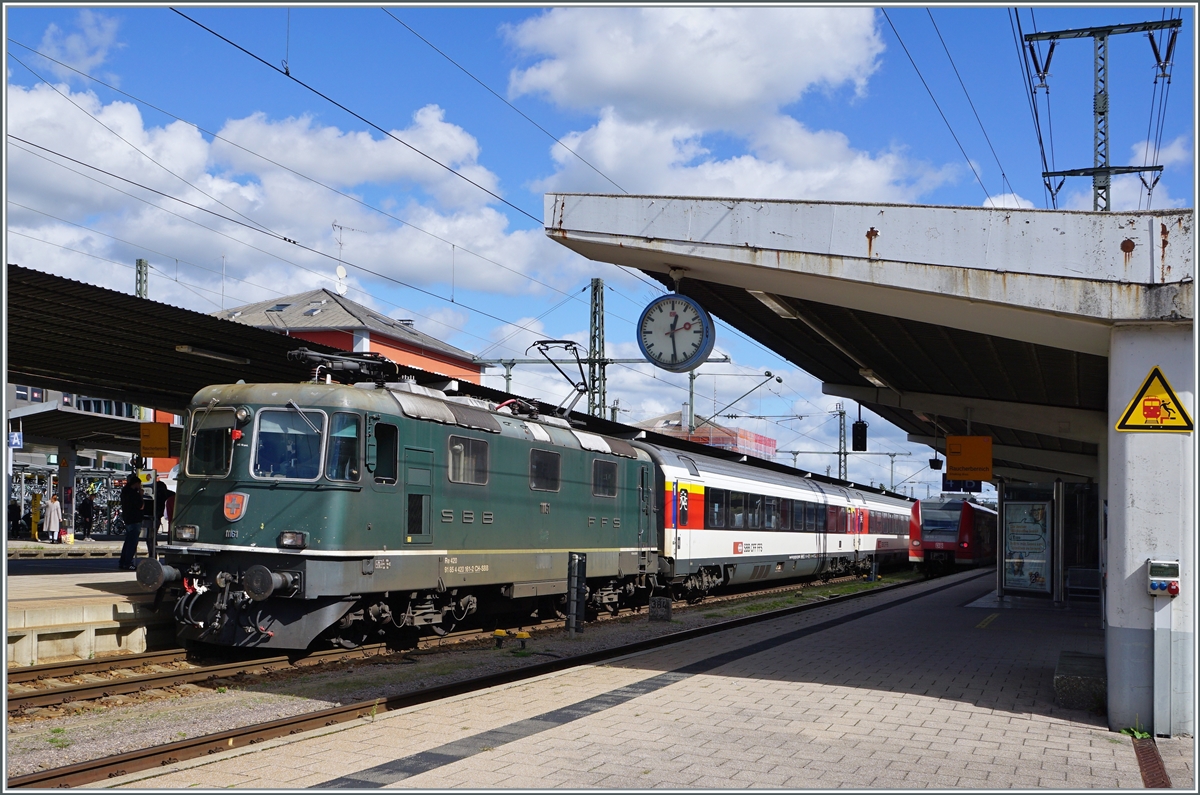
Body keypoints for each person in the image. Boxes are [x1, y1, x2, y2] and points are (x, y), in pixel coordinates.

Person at [118, 474, 145, 571]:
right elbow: (141, 506)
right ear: (136, 483)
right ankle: (128, 563)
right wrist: (141, 495)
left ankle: (122, 562)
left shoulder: (124, 491)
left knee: (127, 542)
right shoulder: (134, 494)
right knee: (132, 544)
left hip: (127, 519)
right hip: (135, 520)